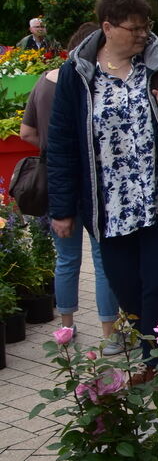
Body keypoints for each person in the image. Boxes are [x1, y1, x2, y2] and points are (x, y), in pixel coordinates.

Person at [46, 0, 158, 356]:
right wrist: (62, 209)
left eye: (146, 26)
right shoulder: (78, 73)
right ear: (108, 27)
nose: (143, 34)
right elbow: (61, 144)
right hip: (109, 207)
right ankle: (151, 351)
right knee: (125, 289)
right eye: (134, 28)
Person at [20, 22, 120, 354]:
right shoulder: (90, 80)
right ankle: (109, 333)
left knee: (66, 260)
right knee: (103, 260)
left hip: (55, 180)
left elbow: (26, 133)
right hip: (93, 181)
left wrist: (50, 149)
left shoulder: (43, 81)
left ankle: (65, 327)